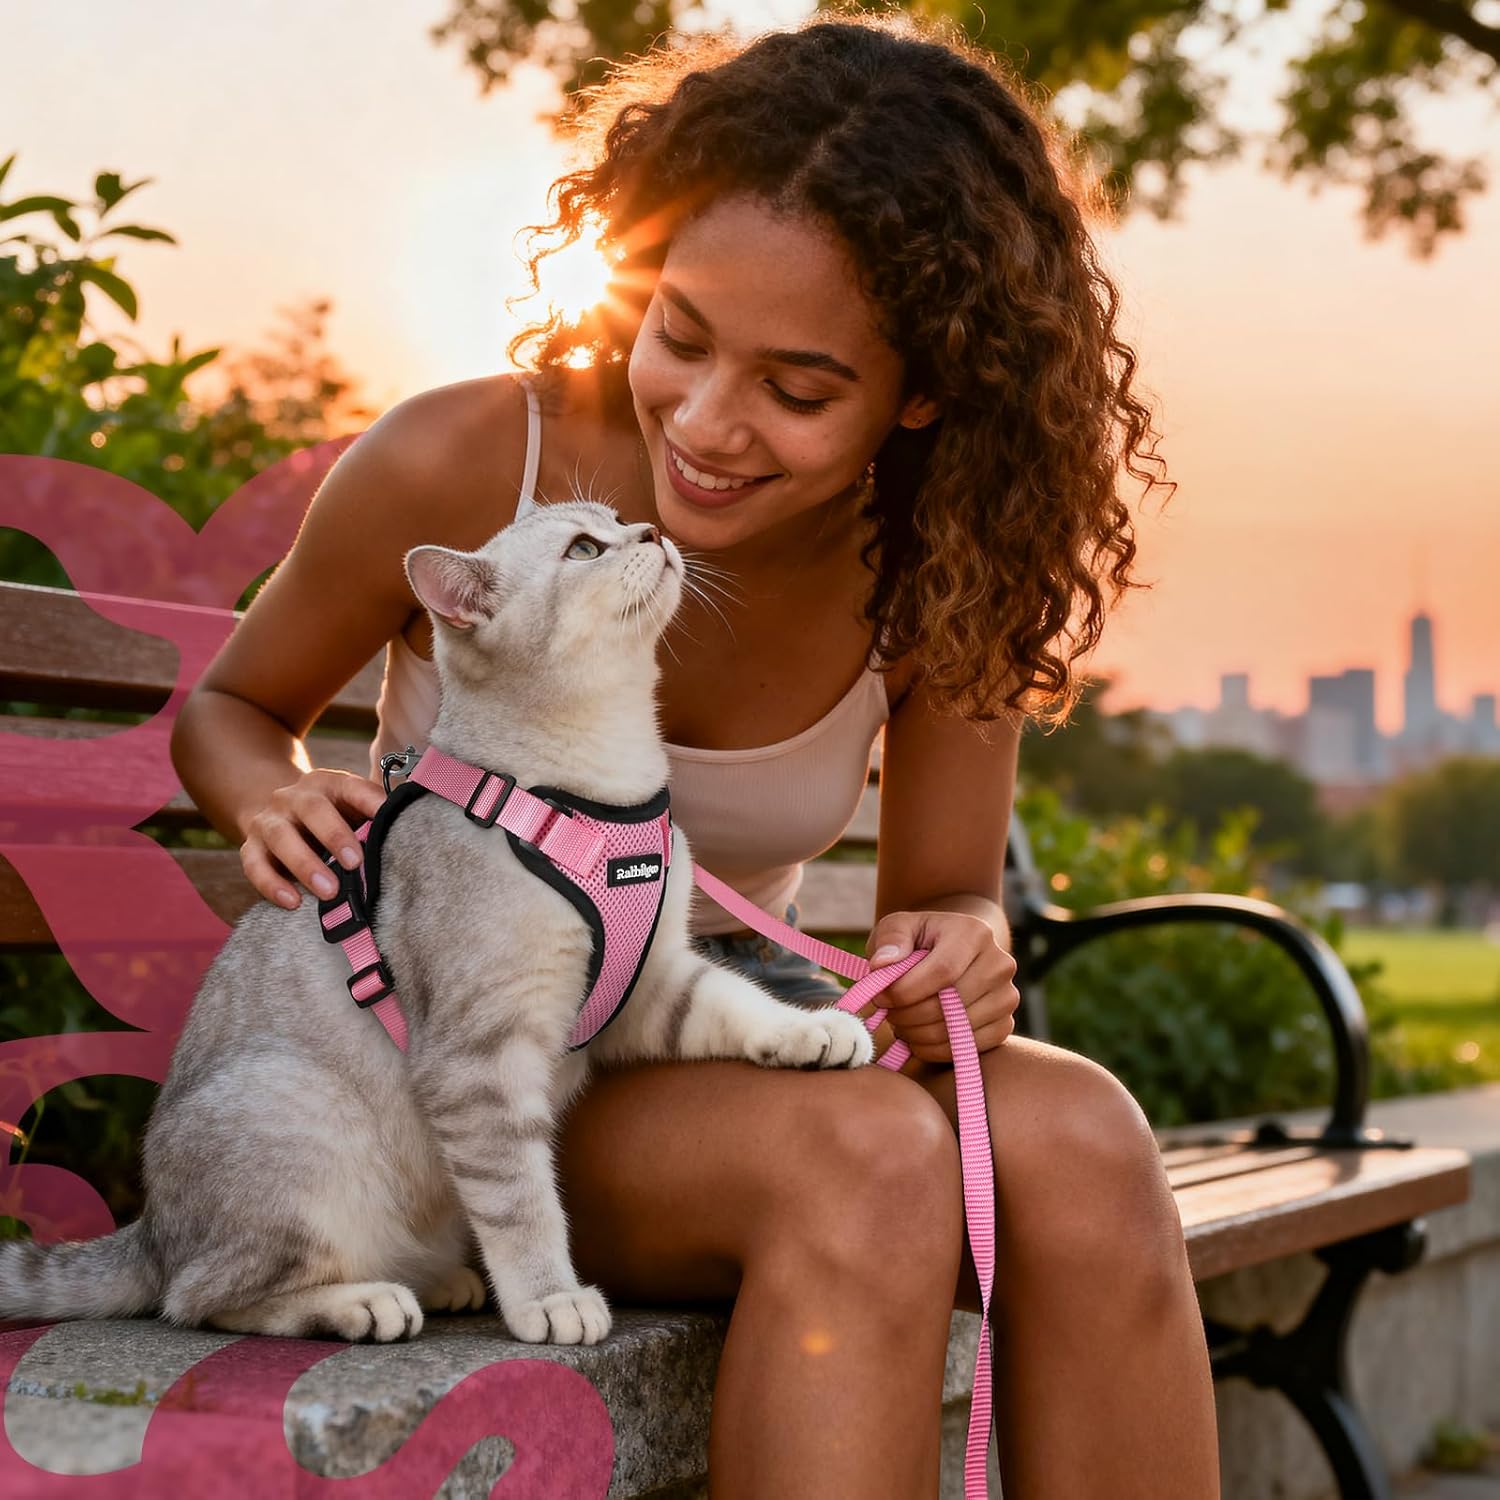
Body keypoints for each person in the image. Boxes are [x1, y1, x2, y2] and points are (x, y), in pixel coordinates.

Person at [171, 12, 1220, 1497]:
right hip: (445, 1094)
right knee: (863, 1160)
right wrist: (268, 792)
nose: (710, 429)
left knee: (1088, 1142)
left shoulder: (948, 564)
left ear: (924, 391)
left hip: (679, 1053)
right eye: (681, 334)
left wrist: (962, 949)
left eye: (797, 391)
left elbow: (945, 900)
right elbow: (230, 708)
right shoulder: (472, 463)